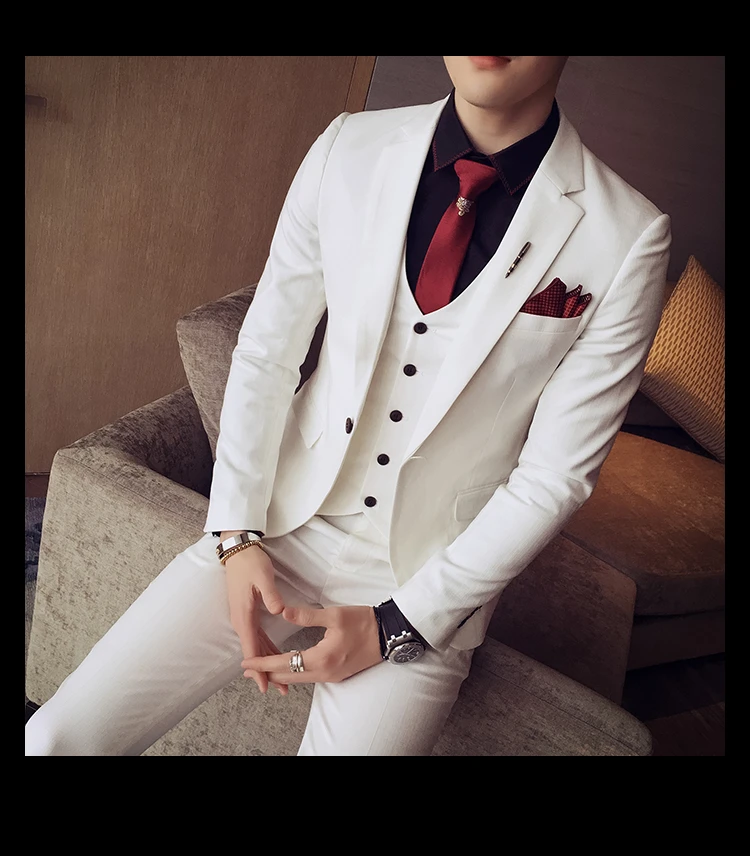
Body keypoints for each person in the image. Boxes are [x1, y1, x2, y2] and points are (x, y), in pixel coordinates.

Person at [25, 56, 671, 756]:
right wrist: (236, 533)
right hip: (278, 527)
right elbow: (267, 350)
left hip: (424, 579)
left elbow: (555, 477)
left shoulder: (627, 234)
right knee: (57, 736)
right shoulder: (348, 147)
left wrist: (403, 622)